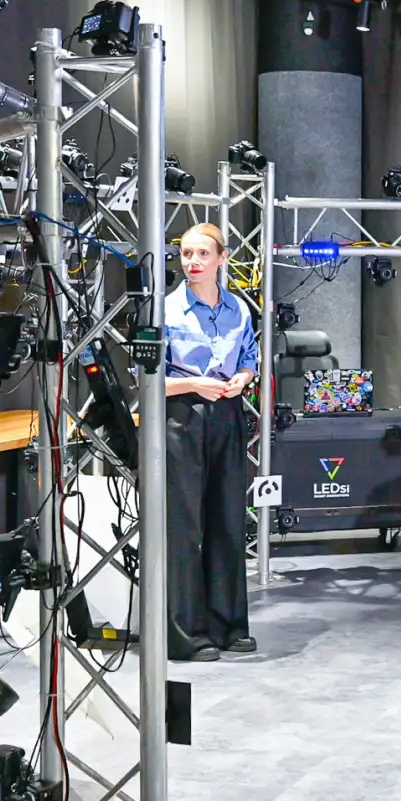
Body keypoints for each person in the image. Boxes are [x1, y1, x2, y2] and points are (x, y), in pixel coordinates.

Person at [162, 222, 257, 661]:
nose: (193, 262)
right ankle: (187, 635)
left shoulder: (240, 310)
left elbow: (250, 358)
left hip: (227, 414)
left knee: (228, 520)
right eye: (186, 254)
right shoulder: (166, 310)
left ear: (222, 258)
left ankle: (229, 626)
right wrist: (193, 385)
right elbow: (147, 380)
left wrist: (244, 378)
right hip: (182, 417)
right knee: (184, 527)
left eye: (202, 254)